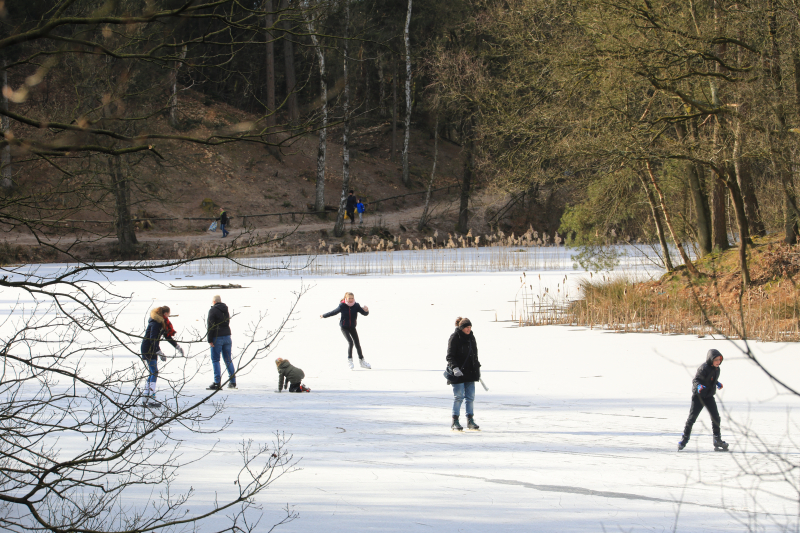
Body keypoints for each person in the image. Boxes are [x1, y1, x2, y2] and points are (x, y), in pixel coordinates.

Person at [678, 349, 729, 451]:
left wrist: (717, 383)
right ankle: (684, 440)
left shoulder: (717, 369)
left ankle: (717, 440)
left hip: (709, 396)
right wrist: (698, 386)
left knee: (716, 417)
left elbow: (711, 379)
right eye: (716, 360)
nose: (718, 362)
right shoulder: (703, 368)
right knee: (692, 418)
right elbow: (696, 380)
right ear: (710, 360)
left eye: (719, 360)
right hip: (699, 397)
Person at [140, 306, 184, 405]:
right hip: (148, 349)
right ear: (165, 314)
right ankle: (150, 398)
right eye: (169, 313)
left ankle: (146, 397)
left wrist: (177, 347)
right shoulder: (156, 323)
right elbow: (152, 339)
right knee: (154, 372)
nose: (169, 315)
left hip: (151, 348)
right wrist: (159, 352)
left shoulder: (161, 323)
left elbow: (168, 337)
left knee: (152, 372)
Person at [446, 317, 481, 431]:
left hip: (470, 373)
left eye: (470, 327)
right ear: (461, 328)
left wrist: (477, 368)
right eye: (467, 327)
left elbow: (474, 355)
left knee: (470, 397)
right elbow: (450, 356)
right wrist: (455, 368)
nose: (469, 329)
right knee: (459, 397)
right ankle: (455, 421)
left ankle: (470, 420)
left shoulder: (471, 338)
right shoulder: (454, 338)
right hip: (458, 373)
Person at [321, 292, 371, 369]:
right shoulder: (342, 306)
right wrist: (324, 315)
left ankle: (362, 361)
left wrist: (366, 310)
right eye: (349, 298)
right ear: (346, 298)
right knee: (350, 342)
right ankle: (350, 360)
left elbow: (364, 313)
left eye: (352, 298)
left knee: (357, 343)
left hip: (352, 327)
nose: (351, 300)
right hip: (344, 327)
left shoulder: (356, 305)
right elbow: (334, 312)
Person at [207, 295, 236, 390]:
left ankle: (217, 383)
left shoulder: (213, 310)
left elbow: (210, 325)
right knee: (228, 359)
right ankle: (232, 381)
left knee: (215, 360)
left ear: (214, 302)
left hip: (217, 337)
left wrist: (210, 339)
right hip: (227, 336)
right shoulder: (225, 310)